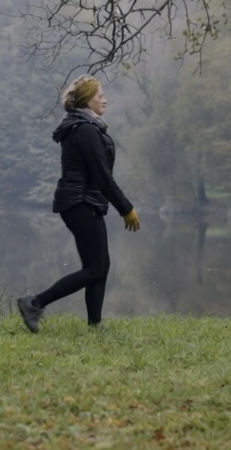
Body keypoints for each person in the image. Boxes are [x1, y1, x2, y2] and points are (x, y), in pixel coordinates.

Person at [17, 75, 140, 333]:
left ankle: (95, 325)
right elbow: (102, 176)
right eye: (99, 95)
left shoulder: (85, 126)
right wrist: (126, 208)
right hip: (79, 202)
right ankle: (35, 302)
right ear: (87, 100)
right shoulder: (84, 129)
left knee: (99, 266)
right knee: (96, 268)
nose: (104, 99)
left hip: (83, 202)